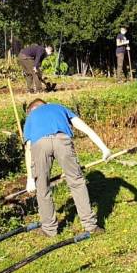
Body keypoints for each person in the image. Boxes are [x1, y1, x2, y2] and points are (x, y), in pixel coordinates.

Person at [23, 99, 112, 236]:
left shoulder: (30, 117)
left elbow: (28, 148)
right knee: (76, 182)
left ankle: (49, 230)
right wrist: (104, 149)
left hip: (39, 145)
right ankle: (91, 226)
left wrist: (30, 179)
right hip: (62, 140)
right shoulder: (59, 107)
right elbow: (86, 129)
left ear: (31, 110)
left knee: (42, 188)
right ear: (45, 104)